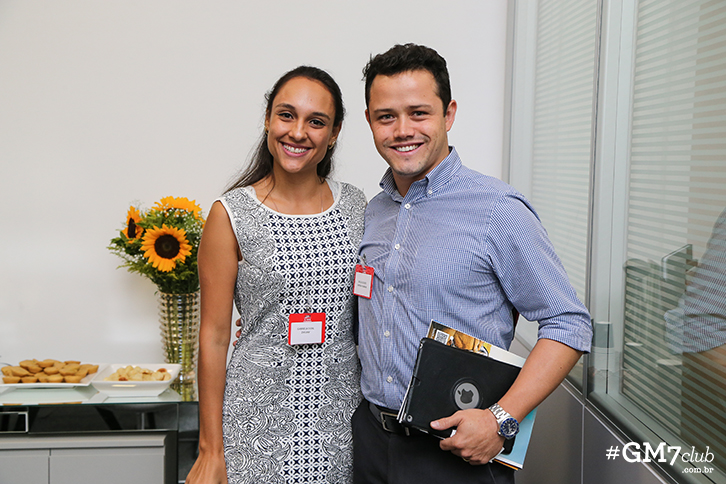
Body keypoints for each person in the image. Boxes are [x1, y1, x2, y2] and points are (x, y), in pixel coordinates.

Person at [352, 43, 593, 484]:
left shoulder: (498, 210)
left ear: (449, 114)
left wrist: (501, 420)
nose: (402, 130)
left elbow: (569, 324)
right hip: (371, 444)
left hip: (457, 454)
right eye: (386, 116)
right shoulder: (373, 212)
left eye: (419, 113)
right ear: (370, 121)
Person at [186, 66, 365, 484]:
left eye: (316, 121)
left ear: (334, 133)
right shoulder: (230, 214)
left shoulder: (358, 207)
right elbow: (214, 336)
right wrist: (210, 450)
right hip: (255, 422)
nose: (298, 132)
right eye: (287, 115)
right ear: (268, 119)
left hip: (341, 422)